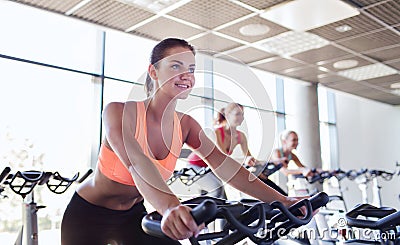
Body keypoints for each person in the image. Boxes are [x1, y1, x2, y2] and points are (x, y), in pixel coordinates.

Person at [61, 38, 302, 244]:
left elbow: (225, 166)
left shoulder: (186, 125)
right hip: (88, 214)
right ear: (153, 71)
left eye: (191, 69)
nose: (186, 75)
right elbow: (135, 161)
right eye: (176, 66)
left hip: (134, 215)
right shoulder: (118, 112)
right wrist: (170, 207)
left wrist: (283, 200)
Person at [185, 103, 259, 198]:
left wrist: (262, 162)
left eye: (242, 114)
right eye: (238, 114)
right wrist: (244, 160)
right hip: (196, 166)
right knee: (217, 189)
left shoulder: (241, 136)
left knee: (223, 198)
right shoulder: (217, 132)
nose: (241, 118)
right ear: (227, 115)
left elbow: (248, 156)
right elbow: (223, 157)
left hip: (211, 168)